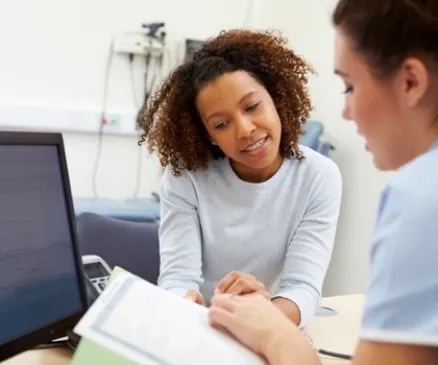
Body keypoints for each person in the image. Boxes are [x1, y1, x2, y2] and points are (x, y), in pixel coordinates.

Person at [209, 1, 438, 365]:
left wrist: (278, 336)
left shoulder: (421, 200)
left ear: (410, 82)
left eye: (349, 86)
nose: (347, 112)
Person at [139, 29, 342, 327]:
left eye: (252, 106)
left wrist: (259, 319)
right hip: (201, 328)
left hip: (268, 326)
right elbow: (178, 277)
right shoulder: (186, 176)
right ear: (208, 135)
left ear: (276, 97)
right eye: (222, 124)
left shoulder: (319, 177)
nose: (245, 129)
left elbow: (303, 288)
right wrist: (183, 304)